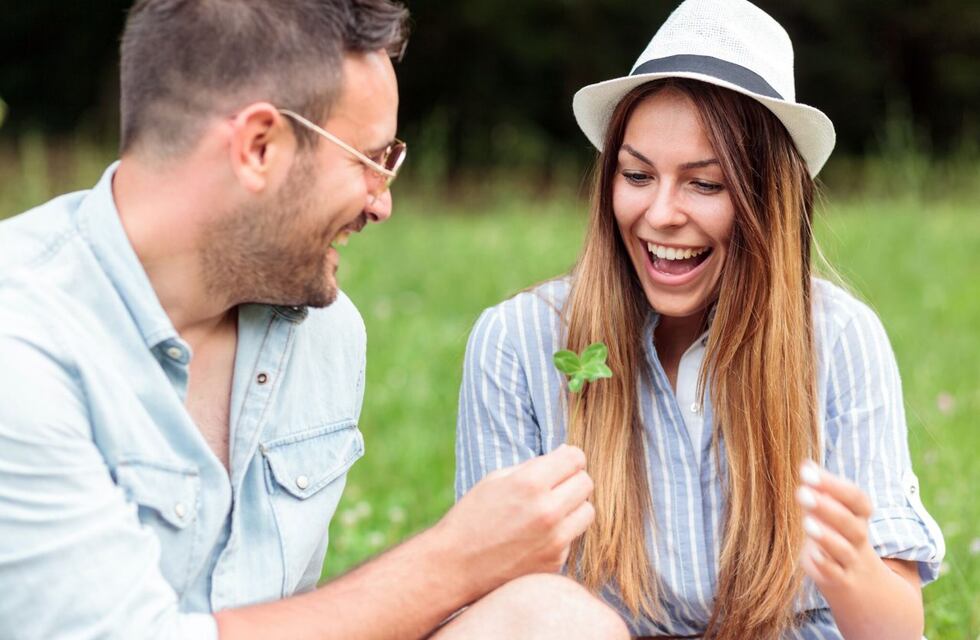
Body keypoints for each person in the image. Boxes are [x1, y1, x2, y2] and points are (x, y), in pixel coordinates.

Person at [0, 1, 630, 639]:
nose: (382, 204)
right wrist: (453, 561)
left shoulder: (325, 332)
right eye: (370, 160)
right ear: (258, 147)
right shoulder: (22, 339)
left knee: (555, 621)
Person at [455, 0, 945, 638]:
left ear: (768, 200)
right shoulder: (518, 342)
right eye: (637, 175)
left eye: (704, 184)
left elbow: (896, 631)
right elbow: (490, 608)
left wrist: (851, 564)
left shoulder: (839, 340)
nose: (661, 214)